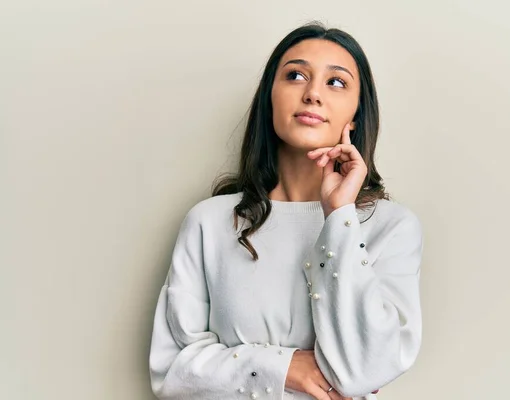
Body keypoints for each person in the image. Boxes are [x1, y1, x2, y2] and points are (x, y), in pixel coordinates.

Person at [148, 22, 424, 400]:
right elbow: (172, 374)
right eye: (295, 75)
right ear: (270, 98)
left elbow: (366, 368)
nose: (312, 94)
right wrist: (283, 367)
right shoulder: (209, 222)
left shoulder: (391, 227)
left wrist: (339, 216)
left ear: (356, 115)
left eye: (336, 82)